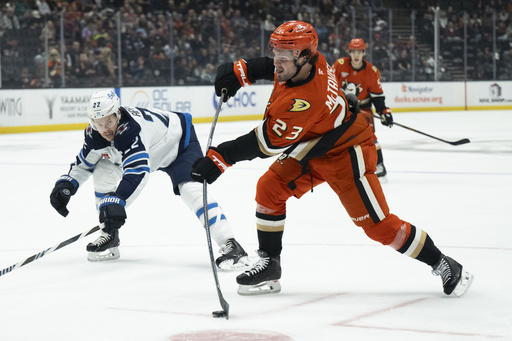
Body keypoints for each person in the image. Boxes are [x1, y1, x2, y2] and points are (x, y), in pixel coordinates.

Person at [191, 21, 473, 297]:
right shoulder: (311, 62)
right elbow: (270, 67)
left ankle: (443, 262)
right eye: (275, 51)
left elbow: (264, 143)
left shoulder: (303, 101)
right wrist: (240, 71)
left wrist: (220, 158)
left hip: (348, 150)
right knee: (269, 187)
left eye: (284, 56)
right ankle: (271, 264)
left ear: (303, 56)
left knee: (378, 226)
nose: (277, 61)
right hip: (316, 143)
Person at [49, 90, 249, 270]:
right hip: (149, 150)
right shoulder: (96, 135)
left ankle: (230, 243)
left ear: (118, 113)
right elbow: (83, 165)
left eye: (109, 121)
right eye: (98, 123)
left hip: (178, 145)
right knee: (103, 169)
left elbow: (138, 170)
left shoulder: (131, 130)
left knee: (190, 189)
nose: (105, 129)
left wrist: (119, 200)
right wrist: (66, 184)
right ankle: (110, 233)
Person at [332, 38, 392, 179]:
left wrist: (384, 112)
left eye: (359, 52)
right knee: (338, 138)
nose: (356, 55)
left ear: (364, 53)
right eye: (354, 52)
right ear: (349, 52)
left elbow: (377, 97)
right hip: (343, 107)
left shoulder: (372, 71)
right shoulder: (339, 65)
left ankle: (379, 165)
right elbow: (331, 88)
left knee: (370, 137)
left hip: (363, 108)